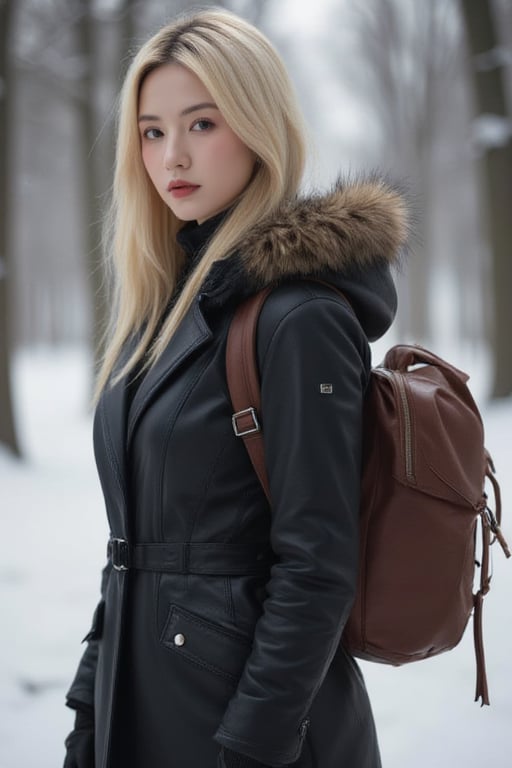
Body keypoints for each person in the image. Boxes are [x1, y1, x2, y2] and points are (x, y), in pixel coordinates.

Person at [63, 8, 407, 768]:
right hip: (142, 707)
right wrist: (89, 714)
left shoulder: (299, 318)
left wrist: (252, 748)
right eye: (151, 131)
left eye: (201, 124)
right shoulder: (168, 309)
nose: (171, 155)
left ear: (257, 127)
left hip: (248, 729)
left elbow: (318, 565)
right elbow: (135, 546)